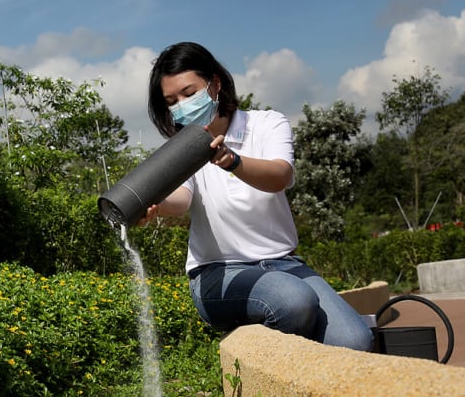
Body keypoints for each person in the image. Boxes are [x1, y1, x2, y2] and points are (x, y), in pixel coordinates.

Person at [141, 42, 373, 351]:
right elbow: (182, 198)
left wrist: (232, 161)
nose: (181, 105)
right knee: (293, 301)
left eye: (188, 93)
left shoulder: (267, 124)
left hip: (284, 264)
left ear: (216, 84)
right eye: (172, 101)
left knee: (355, 341)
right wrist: (156, 205)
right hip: (218, 273)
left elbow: (280, 175)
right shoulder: (184, 146)